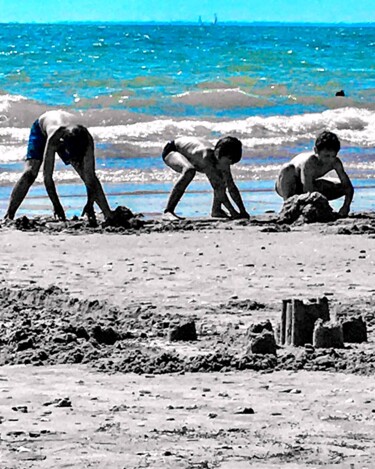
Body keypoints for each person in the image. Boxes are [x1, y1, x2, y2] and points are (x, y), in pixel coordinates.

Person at [5, 110, 114, 224]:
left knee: (84, 173)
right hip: (41, 129)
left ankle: (108, 214)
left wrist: (90, 204)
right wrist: (56, 205)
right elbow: (47, 177)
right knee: (30, 173)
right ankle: (9, 215)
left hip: (71, 136)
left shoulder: (86, 138)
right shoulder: (54, 139)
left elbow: (90, 176)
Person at [161, 136, 250, 220]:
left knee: (221, 178)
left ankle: (216, 210)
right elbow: (217, 187)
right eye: (228, 161)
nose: (228, 165)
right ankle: (168, 211)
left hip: (193, 155)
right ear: (218, 153)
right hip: (173, 150)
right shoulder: (206, 157)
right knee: (189, 171)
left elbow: (231, 187)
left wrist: (243, 211)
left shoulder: (224, 158)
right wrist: (233, 212)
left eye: (231, 163)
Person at [275, 130, 354, 217]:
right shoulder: (309, 163)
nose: (329, 160)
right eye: (326, 156)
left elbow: (348, 186)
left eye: (333, 156)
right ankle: (288, 206)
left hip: (308, 186)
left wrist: (346, 206)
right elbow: (308, 190)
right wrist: (325, 208)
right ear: (316, 151)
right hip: (287, 185)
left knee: (341, 187)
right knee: (287, 169)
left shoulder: (335, 162)